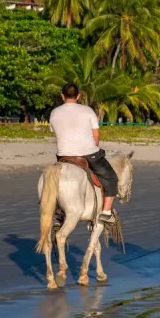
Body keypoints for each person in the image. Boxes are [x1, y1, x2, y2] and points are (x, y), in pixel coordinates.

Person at [49, 83, 118, 224]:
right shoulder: (88, 111)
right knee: (111, 177)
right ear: (78, 95)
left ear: (62, 96)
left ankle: (57, 214)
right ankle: (106, 212)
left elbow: (56, 132)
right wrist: (92, 147)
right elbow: (96, 135)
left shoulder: (54, 113)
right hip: (88, 154)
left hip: (64, 157)